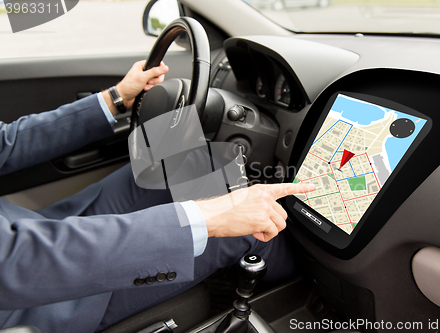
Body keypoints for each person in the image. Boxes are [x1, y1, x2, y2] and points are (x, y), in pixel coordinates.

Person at [0, 61, 314, 332]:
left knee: (187, 162)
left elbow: (5, 143)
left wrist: (116, 98)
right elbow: (16, 261)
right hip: (33, 297)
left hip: (30, 230)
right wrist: (211, 216)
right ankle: (312, 288)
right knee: (242, 229)